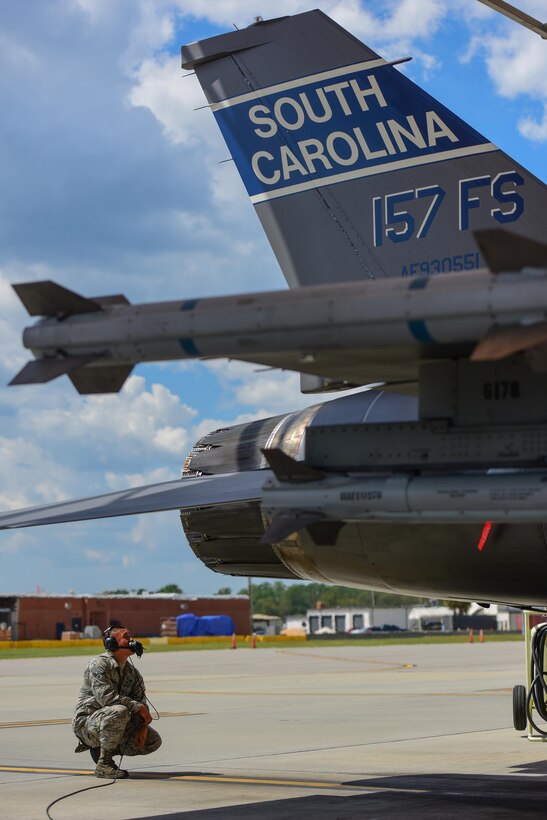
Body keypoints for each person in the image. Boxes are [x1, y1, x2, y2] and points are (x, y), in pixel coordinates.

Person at [72, 625, 162, 778]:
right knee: (119, 711)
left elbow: (141, 701)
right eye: (126, 637)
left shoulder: (132, 673)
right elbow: (107, 698)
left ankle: (103, 748)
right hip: (87, 723)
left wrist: (142, 725)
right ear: (111, 643)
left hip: (113, 720)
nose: (132, 640)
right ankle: (104, 764)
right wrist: (137, 707)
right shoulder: (99, 664)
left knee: (152, 741)